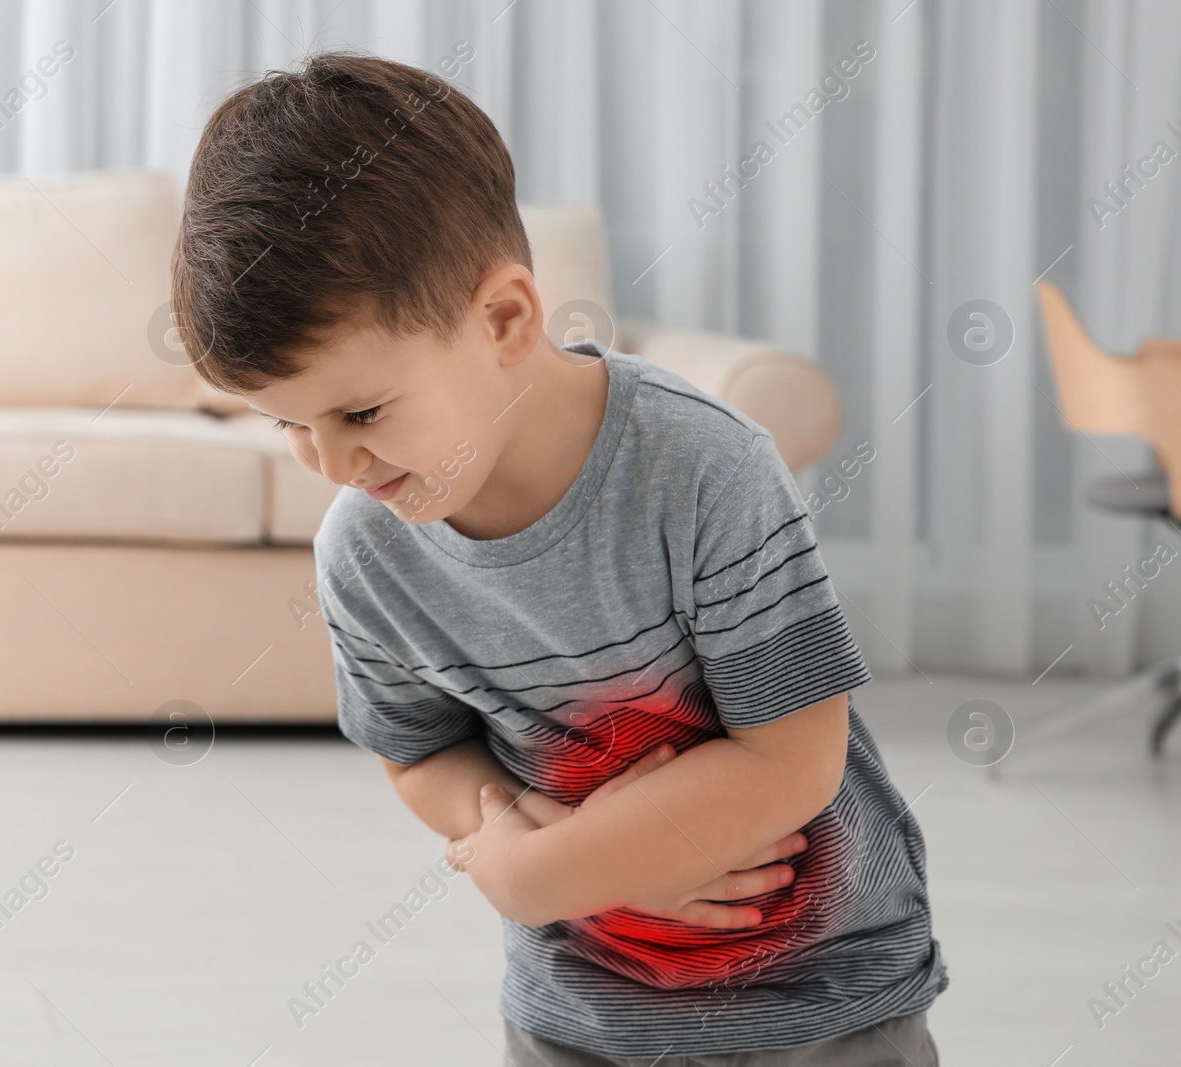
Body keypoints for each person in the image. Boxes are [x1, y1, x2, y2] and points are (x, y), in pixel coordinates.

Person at [170, 48, 946, 1067]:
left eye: (360, 410)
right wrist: (559, 854)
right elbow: (418, 750)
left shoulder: (703, 467)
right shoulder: (366, 551)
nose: (331, 463)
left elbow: (791, 755)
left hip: (822, 1004)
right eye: (286, 426)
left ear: (504, 318)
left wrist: (543, 874)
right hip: (578, 1016)